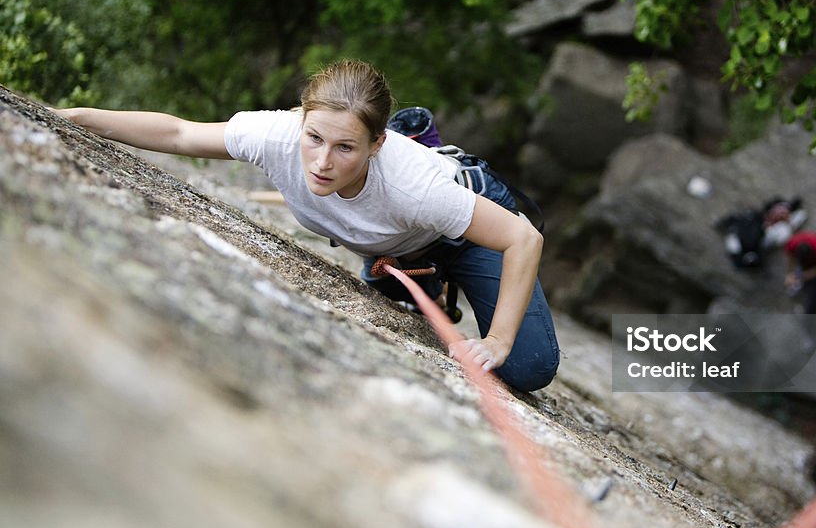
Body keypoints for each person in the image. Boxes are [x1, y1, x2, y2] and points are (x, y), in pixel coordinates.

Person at [55, 59, 560, 392]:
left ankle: (422, 146)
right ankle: (406, 259)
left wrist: (495, 342)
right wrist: (73, 117)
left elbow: (523, 237)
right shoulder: (276, 134)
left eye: (345, 148)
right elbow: (180, 131)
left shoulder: (413, 187)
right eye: (315, 138)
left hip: (461, 225)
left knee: (525, 367)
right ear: (301, 120)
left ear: (375, 146)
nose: (321, 161)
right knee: (396, 295)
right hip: (397, 245)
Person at [783, 231, 816, 314]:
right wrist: (790, 274)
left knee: (814, 292)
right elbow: (791, 258)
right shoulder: (792, 244)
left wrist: (803, 277)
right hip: (808, 262)